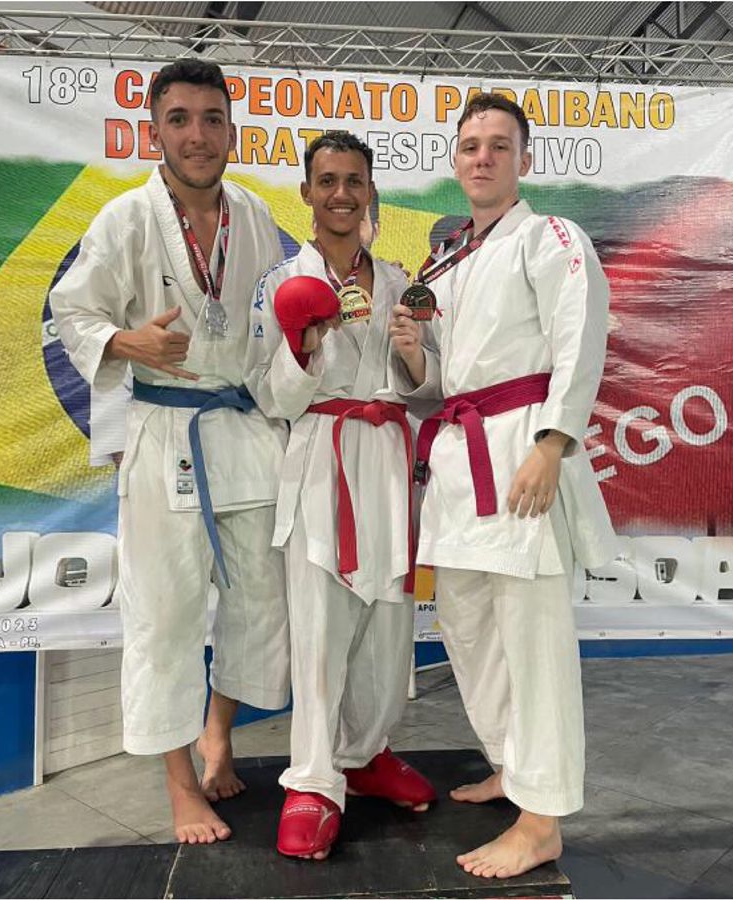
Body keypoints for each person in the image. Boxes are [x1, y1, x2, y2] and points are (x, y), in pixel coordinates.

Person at [46, 57, 290, 844]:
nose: (197, 134)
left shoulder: (253, 214)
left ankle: (221, 733)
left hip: (244, 429)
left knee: (261, 600)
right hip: (163, 434)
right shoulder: (124, 219)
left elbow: (271, 318)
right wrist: (125, 339)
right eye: (179, 120)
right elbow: (72, 310)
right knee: (166, 612)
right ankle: (181, 781)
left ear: (232, 128)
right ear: (154, 131)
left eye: (212, 118)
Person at [389, 93, 614, 879]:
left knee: (531, 636)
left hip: (520, 449)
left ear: (525, 159)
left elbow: (581, 337)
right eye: (470, 145)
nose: (481, 156)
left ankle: (543, 817)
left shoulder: (551, 238)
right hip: (457, 460)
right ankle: (514, 768)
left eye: (498, 145)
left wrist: (553, 443)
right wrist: (415, 350)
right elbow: (440, 380)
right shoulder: (449, 259)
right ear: (455, 161)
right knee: (469, 626)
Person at [244, 132, 432, 860]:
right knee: (321, 633)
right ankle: (315, 782)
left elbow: (425, 387)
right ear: (307, 193)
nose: (342, 194)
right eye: (328, 181)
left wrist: (414, 357)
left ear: (370, 189)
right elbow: (272, 396)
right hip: (322, 460)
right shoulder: (277, 284)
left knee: (387, 631)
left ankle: (366, 752)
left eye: (354, 180)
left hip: (384, 458)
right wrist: (301, 343)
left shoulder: (398, 279)